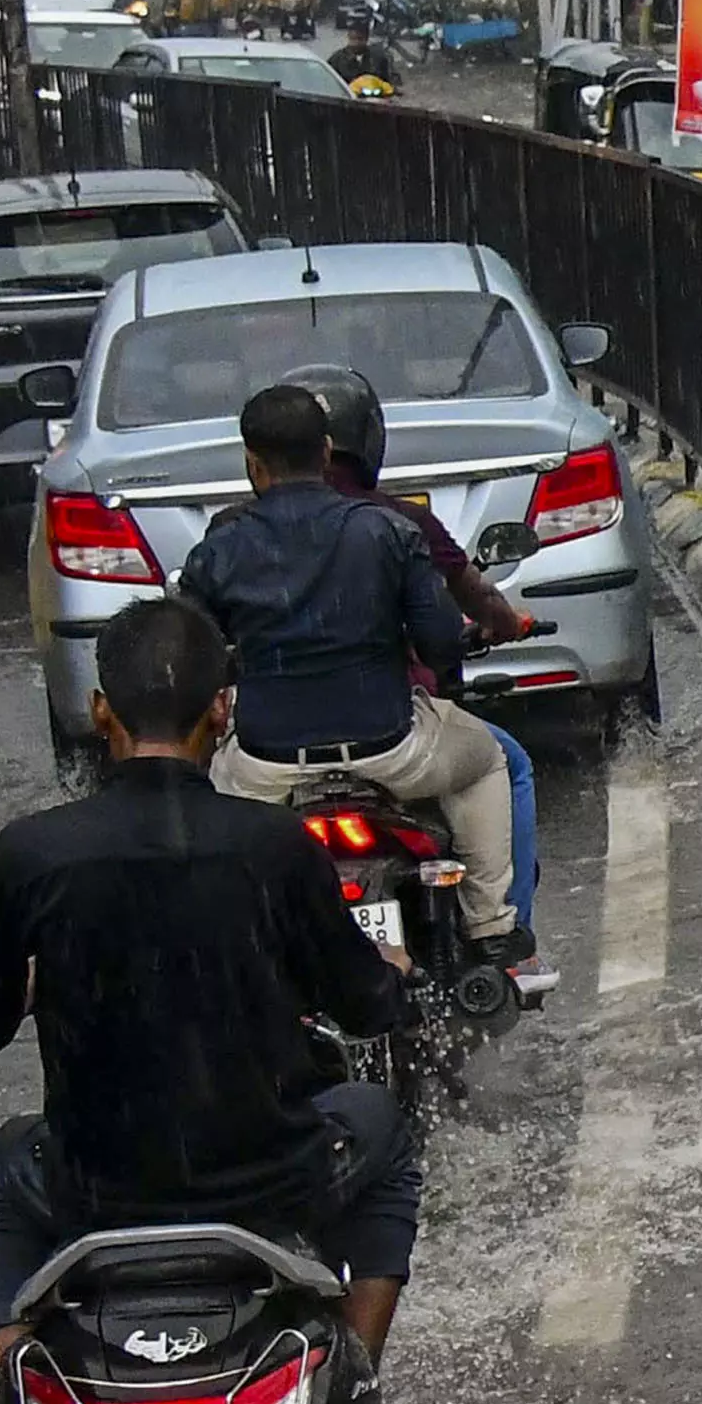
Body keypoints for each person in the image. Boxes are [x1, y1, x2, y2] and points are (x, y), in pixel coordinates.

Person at [0, 596, 419, 1380]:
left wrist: (29, 985)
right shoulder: (276, 846)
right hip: (273, 1181)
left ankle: (21, 1383)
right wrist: (392, 971)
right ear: (222, 710)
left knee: (6, 1164)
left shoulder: (30, 854)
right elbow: (366, 1005)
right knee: (381, 1123)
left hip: (92, 1190)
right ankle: (352, 1371)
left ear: (100, 709)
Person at [176, 377, 544, 993]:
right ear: (325, 450)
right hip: (392, 749)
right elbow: (439, 643)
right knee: (490, 763)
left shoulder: (222, 546)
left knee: (207, 822)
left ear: (252, 463)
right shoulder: (388, 531)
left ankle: (222, 948)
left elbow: (192, 654)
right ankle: (491, 926)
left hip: (265, 766)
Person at [289, 359, 547, 949]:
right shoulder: (401, 523)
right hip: (392, 736)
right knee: (505, 763)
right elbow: (449, 627)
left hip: (272, 753)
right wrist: (502, 625)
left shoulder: (237, 532)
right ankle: (498, 931)